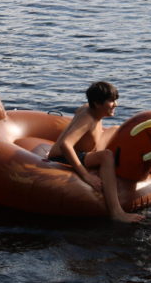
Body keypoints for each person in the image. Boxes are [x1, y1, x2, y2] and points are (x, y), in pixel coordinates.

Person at [46, 81, 144, 223]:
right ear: (97, 104)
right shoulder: (88, 118)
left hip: (84, 151)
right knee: (106, 156)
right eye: (111, 101)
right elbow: (65, 145)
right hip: (60, 157)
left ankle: (144, 164)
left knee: (116, 129)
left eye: (115, 100)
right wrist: (86, 176)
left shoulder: (89, 108)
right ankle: (116, 212)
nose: (115, 104)